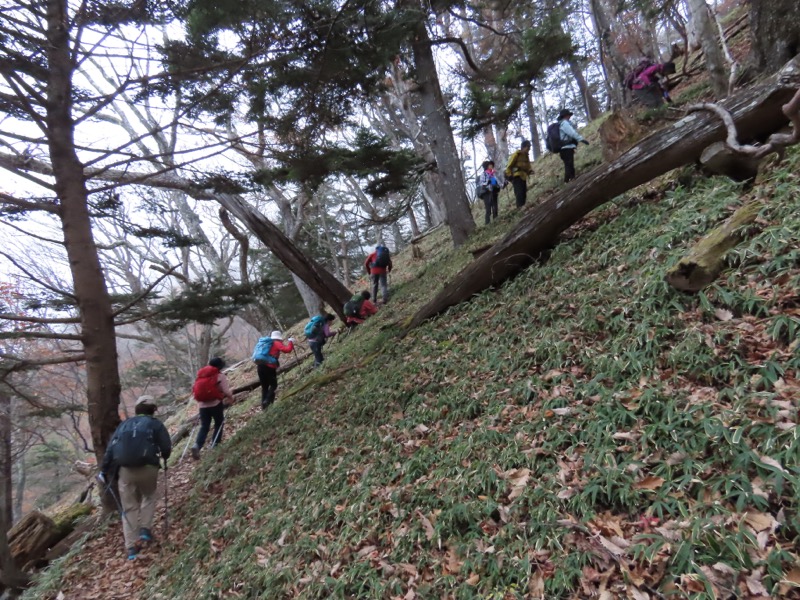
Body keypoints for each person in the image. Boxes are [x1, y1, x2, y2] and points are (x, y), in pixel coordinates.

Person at [99, 395, 172, 560]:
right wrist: (165, 456)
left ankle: (131, 548)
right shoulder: (155, 424)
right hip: (149, 468)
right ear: (153, 410)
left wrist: (104, 471)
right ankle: (145, 529)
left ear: (137, 409)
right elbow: (166, 446)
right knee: (149, 496)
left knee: (129, 508)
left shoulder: (124, 425)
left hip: (126, 471)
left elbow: (110, 449)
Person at [190, 357, 235, 460]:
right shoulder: (220, 376)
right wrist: (231, 398)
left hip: (202, 406)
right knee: (219, 423)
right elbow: (226, 391)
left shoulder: (201, 376)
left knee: (204, 426)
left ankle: (197, 445)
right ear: (220, 366)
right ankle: (215, 445)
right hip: (215, 404)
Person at [252, 330, 295, 410]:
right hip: (269, 367)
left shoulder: (265, 343)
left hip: (260, 366)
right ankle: (268, 401)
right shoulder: (276, 343)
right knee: (273, 385)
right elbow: (287, 350)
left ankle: (264, 407)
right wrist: (291, 342)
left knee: (264, 387)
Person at [556, 109, 589, 183]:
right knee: (569, 165)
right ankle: (567, 182)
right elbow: (572, 133)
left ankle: (572, 180)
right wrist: (581, 139)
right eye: (568, 115)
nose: (569, 117)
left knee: (569, 165)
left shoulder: (561, 124)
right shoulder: (564, 123)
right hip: (566, 148)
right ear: (565, 116)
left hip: (564, 148)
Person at [504, 140, 532, 208]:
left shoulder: (526, 156)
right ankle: (520, 208)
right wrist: (509, 175)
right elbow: (509, 166)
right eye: (527, 148)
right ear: (524, 147)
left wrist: (529, 171)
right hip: (516, 177)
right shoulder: (517, 154)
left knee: (524, 192)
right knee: (519, 193)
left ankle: (523, 207)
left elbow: (527, 166)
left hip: (523, 176)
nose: (528, 150)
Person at [478, 160, 501, 224]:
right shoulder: (484, 174)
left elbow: (497, 182)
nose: (491, 166)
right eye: (489, 165)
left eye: (492, 165)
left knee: (495, 207)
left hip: (493, 192)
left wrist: (500, 185)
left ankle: (496, 221)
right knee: (488, 209)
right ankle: (487, 223)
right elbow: (481, 183)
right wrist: (487, 182)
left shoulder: (493, 174)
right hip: (486, 193)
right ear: (486, 166)